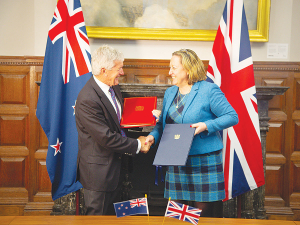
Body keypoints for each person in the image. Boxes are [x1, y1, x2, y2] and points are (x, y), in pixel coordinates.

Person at [145, 49, 238, 217]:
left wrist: (206, 125)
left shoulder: (209, 90)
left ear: (188, 70)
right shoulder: (170, 92)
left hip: (203, 159)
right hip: (175, 160)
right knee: (177, 214)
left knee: (203, 215)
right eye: (170, 67)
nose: (169, 72)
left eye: (173, 68)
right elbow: (162, 125)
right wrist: (152, 136)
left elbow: (232, 116)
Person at [75, 45, 150, 215]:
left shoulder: (113, 87)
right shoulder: (87, 98)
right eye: (119, 68)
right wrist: (138, 145)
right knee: (97, 218)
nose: (122, 73)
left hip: (118, 168)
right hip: (99, 174)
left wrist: (148, 118)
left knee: (116, 217)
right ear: (104, 70)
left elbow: (120, 121)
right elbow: (106, 137)